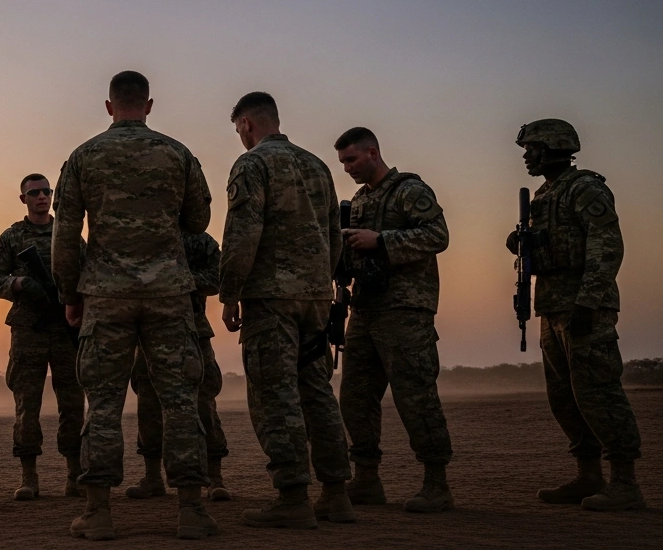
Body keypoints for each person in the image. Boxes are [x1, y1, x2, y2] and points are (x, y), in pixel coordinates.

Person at [53, 70, 218, 541]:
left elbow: (65, 236)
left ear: (108, 107)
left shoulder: (84, 156)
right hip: (169, 294)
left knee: (102, 404)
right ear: (149, 105)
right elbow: (199, 220)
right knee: (181, 402)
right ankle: (191, 510)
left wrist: (70, 294)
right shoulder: (177, 153)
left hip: (106, 294)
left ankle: (99, 512)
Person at [219, 91, 353, 529]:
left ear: (246, 125)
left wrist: (230, 291)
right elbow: (335, 234)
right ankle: (336, 494)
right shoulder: (317, 165)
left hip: (271, 299)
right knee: (316, 393)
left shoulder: (253, 164)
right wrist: (320, 284)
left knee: (274, 394)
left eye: (238, 128)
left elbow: (243, 233)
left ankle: (292, 495)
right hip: (315, 298)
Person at [510, 119, 644, 511]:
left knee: (598, 392)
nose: (526, 156)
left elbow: (607, 246)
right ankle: (588, 475)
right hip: (551, 305)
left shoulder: (585, 188)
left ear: (552, 147)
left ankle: (625, 483)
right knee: (564, 396)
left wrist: (588, 302)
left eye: (531, 148)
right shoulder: (546, 194)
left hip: (583, 306)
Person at [334, 127, 454, 513]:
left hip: (405, 310)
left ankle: (436, 484)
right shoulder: (358, 200)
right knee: (354, 398)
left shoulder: (409, 190)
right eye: (343, 163)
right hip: (366, 310)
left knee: (415, 397)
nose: (348, 168)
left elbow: (438, 235)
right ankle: (367, 478)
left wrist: (381, 240)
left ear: (373, 152)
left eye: (352, 159)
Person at [0, 173, 85, 501]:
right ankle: (29, 476)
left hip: (67, 327)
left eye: (46, 192)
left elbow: (89, 273)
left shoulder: (67, 235)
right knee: (27, 404)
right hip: (29, 330)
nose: (41, 197)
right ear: (23, 199)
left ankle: (74, 473)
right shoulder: (11, 238)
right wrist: (18, 284)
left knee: (72, 403)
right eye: (34, 193)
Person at [125, 231, 232, 503]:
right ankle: (152, 478)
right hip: (147, 333)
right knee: (148, 406)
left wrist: (180, 280)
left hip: (191, 330)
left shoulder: (197, 240)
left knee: (203, 404)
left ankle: (214, 478)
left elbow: (218, 276)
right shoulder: (139, 235)